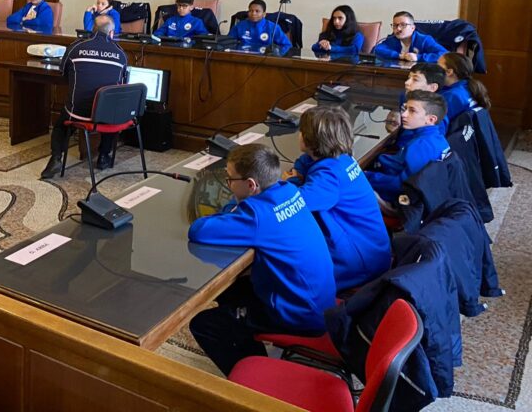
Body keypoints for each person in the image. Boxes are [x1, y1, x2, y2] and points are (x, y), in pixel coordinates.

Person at [188, 144, 336, 376]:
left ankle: (256, 375)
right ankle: (245, 335)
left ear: (251, 185)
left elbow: (199, 230)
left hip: (299, 314)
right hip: (319, 302)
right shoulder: (289, 190)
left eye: (230, 179)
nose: (228, 184)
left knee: (204, 324)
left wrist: (235, 206)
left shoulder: (257, 216)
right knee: (228, 291)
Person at [283, 108, 391, 291]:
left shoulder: (329, 174)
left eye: (301, 131)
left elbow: (296, 205)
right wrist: (300, 171)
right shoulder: (342, 160)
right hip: (372, 249)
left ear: (310, 140)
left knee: (284, 270)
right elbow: (306, 162)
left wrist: (291, 181)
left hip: (359, 265)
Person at [40, 14, 127, 178]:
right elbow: (120, 86)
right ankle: (103, 156)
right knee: (111, 108)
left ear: (92, 29)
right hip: (105, 115)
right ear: (111, 33)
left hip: (77, 112)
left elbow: (63, 73)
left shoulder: (76, 47)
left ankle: (56, 158)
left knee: (61, 124)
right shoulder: (120, 53)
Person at [365, 90, 449, 202]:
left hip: (397, 198)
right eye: (405, 109)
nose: (403, 115)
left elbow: (401, 186)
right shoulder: (438, 138)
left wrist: (367, 176)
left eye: (412, 111)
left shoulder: (421, 146)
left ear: (431, 119)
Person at [373, 11, 447, 63]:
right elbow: (376, 50)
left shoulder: (424, 40)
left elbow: (445, 55)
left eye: (403, 25)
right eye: (395, 25)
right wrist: (399, 56)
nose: (398, 29)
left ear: (412, 28)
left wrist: (418, 57)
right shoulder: (393, 39)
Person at [437, 53, 486, 121]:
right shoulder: (468, 86)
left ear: (449, 72)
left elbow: (438, 124)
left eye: (437, 65)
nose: (433, 69)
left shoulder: (451, 96)